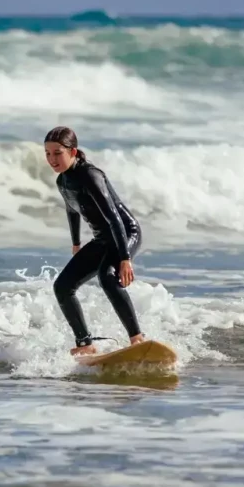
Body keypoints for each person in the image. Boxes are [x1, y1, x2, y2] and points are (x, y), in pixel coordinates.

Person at [43, 126, 146, 356]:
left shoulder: (90, 175)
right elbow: (72, 209)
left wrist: (125, 258)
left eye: (57, 153)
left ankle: (137, 338)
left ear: (73, 151)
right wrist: (76, 243)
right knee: (63, 287)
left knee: (107, 277)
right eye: (48, 153)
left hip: (126, 232)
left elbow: (114, 218)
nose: (52, 159)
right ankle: (85, 344)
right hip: (102, 238)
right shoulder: (63, 181)